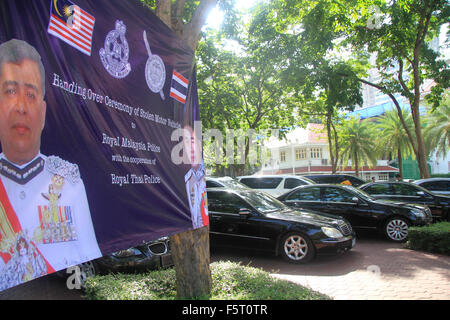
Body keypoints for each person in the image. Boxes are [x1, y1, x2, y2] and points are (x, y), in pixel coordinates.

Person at [0, 39, 101, 291]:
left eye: (31, 94)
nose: (21, 107)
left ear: (43, 113)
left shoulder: (70, 182)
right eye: (10, 91)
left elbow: (86, 270)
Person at [182, 124, 208, 229]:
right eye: (185, 143)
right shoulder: (184, 180)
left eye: (192, 141)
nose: (190, 148)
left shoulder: (202, 176)